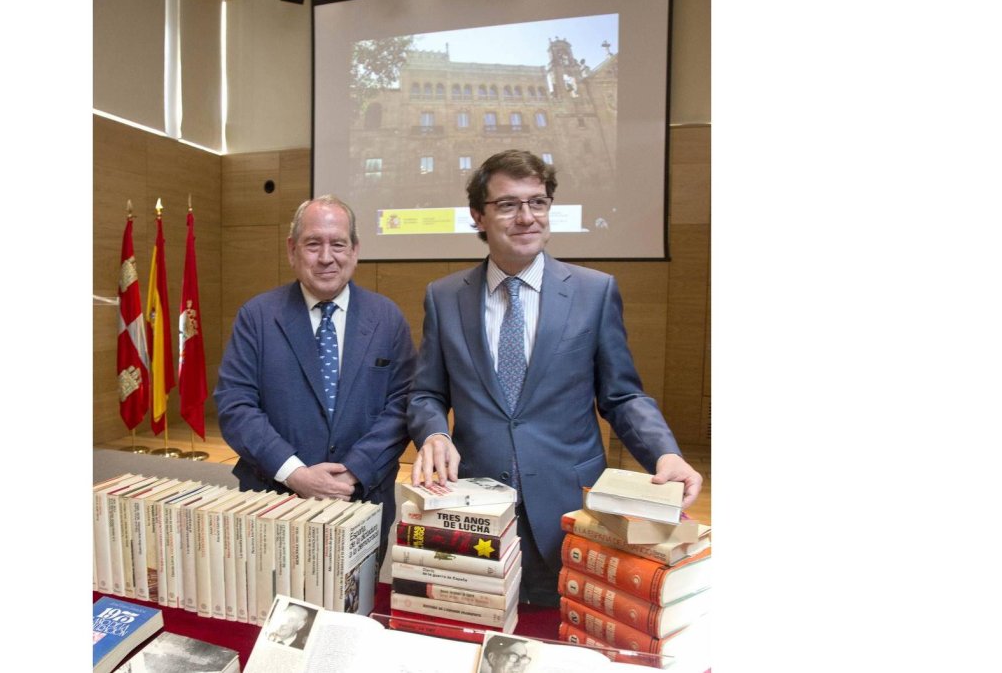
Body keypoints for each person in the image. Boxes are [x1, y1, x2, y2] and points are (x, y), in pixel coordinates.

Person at [407, 150, 703, 606]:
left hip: (571, 506)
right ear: (477, 217)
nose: (526, 217)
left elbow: (622, 396)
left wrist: (664, 453)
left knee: (566, 628)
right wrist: (432, 433)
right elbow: (427, 392)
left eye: (538, 202)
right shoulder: (444, 298)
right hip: (477, 508)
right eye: (508, 204)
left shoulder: (594, 292)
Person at [215, 194, 416, 553]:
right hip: (273, 501)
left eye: (338, 244)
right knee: (272, 605)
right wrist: (296, 474)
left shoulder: (387, 318)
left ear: (354, 250)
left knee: (356, 606)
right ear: (292, 250)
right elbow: (236, 405)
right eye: (313, 244)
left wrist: (353, 471)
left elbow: (402, 405)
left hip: (361, 499)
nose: (327, 257)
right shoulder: (257, 317)